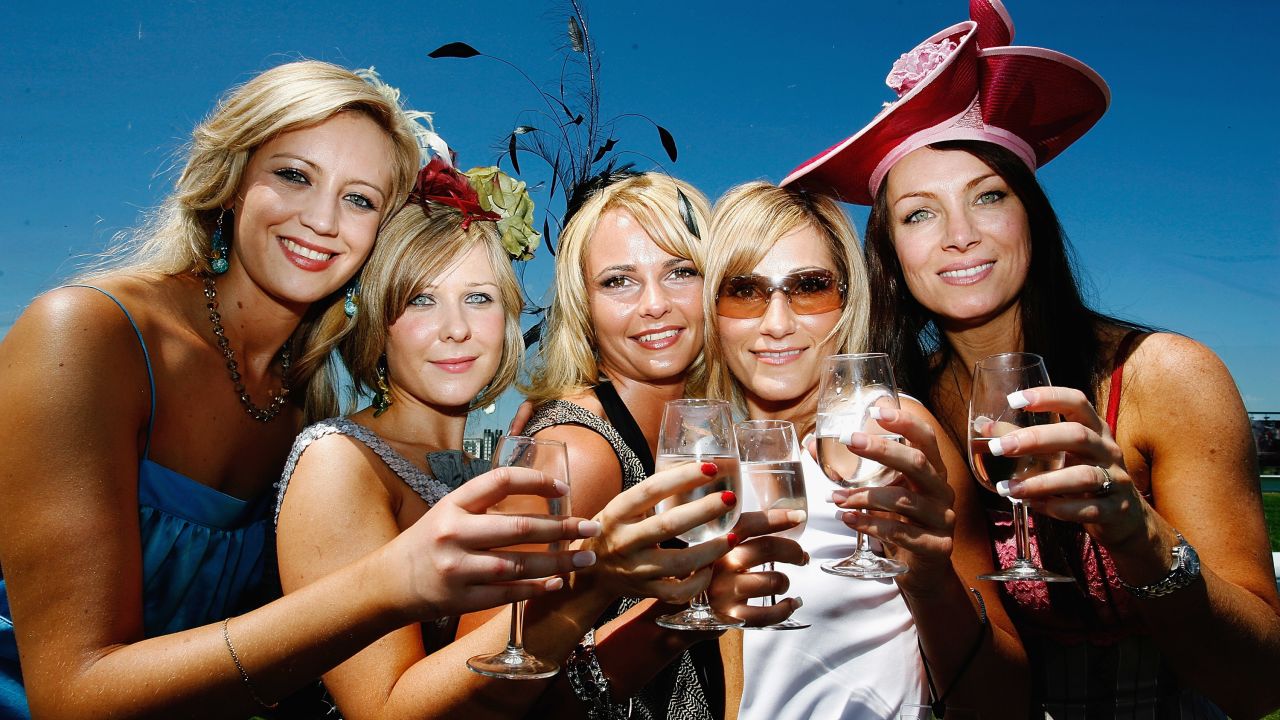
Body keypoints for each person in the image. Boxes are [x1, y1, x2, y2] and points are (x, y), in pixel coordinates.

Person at [0, 61, 595, 718]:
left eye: (360, 199)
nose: (322, 220)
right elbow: (69, 695)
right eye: (294, 175)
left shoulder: (301, 394)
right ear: (230, 182)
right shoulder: (86, 335)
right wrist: (390, 584)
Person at [783, 1, 1280, 716]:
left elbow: (1260, 683)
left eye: (988, 197)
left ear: (1032, 219)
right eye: (919, 212)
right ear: (889, 254)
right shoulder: (906, 407)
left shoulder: (1163, 377)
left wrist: (1139, 536)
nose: (958, 235)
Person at [274, 160, 747, 718]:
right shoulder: (338, 461)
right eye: (421, 299)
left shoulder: (486, 467)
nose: (457, 327)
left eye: (478, 297)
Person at [704, 181, 1029, 719]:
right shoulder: (715, 454)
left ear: (847, 300)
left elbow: (1004, 698)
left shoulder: (884, 432)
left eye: (809, 287)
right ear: (712, 307)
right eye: (745, 291)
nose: (778, 323)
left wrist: (929, 578)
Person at [523, 171, 804, 719]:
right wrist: (671, 623)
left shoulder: (702, 435)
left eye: (680, 272)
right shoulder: (578, 452)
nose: (654, 304)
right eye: (618, 281)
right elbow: (498, 687)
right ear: (584, 304)